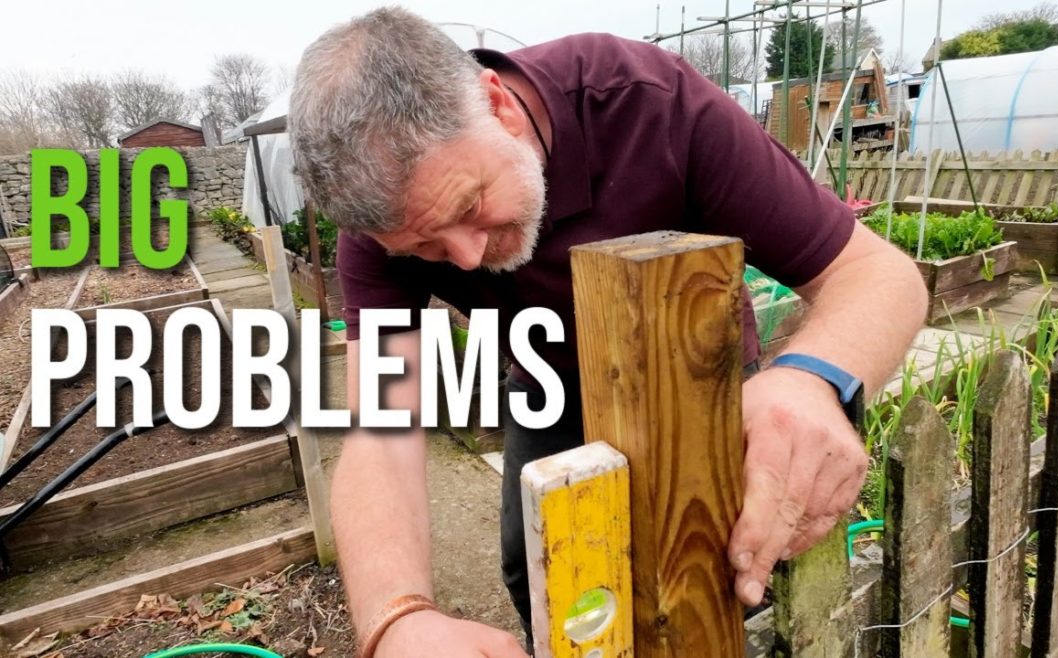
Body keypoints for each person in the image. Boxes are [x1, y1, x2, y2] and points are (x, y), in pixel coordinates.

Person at [289, 7, 928, 658]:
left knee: (726, 568)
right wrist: (396, 620)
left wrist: (814, 377)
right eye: (424, 246)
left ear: (497, 104)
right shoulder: (385, 225)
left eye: (469, 206)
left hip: (697, 377)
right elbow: (382, 430)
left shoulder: (649, 103)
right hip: (551, 383)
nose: (464, 255)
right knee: (532, 560)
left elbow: (878, 274)